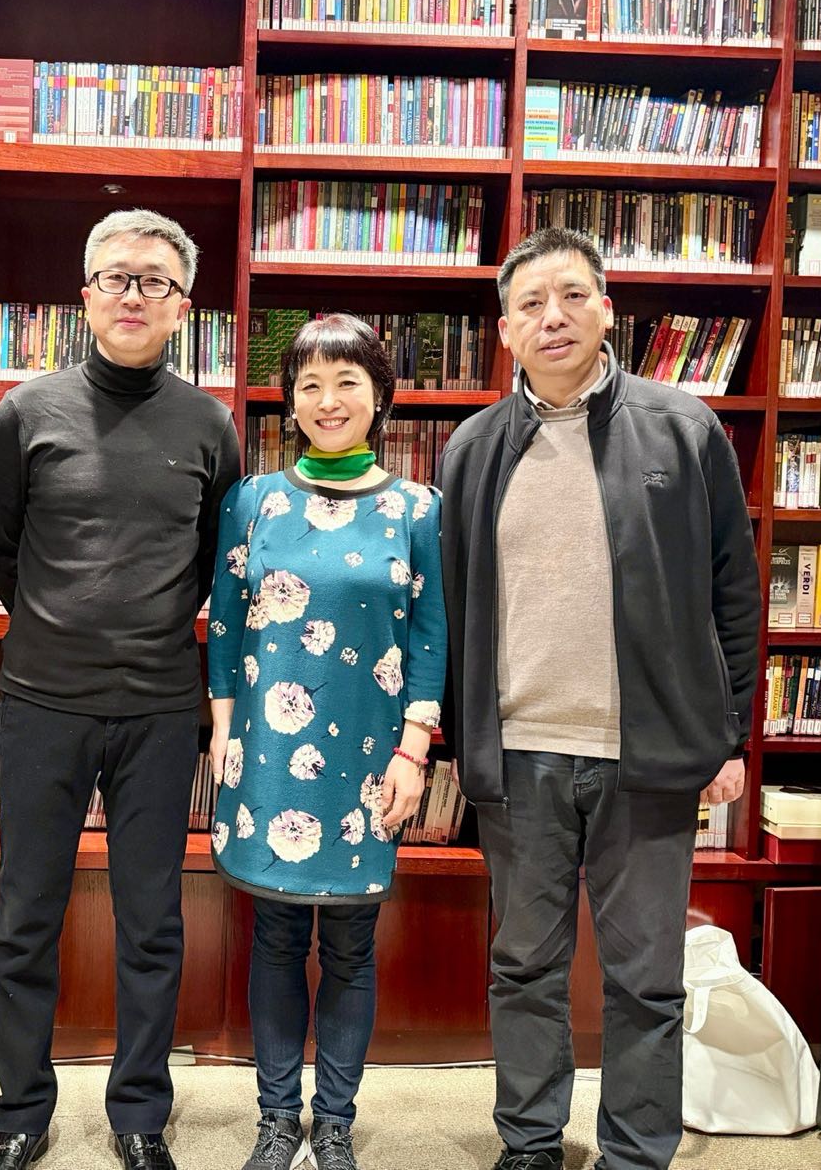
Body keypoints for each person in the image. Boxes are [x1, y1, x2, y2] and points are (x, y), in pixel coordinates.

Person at [439, 226, 759, 1170]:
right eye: (531, 304)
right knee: (523, 966)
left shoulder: (682, 428)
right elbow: (452, 605)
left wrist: (731, 735)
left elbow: (733, 591)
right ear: (505, 329)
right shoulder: (471, 448)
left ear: (607, 310)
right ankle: (530, 1143)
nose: (554, 317)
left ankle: (633, 1152)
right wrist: (461, 741)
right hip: (519, 756)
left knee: (646, 978)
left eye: (572, 295)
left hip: (647, 756)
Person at [0, 208, 241, 1170]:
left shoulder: (209, 424)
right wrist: (64, 624)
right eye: (117, 277)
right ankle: (19, 1113)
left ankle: (138, 1113)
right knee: (24, 919)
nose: (134, 294)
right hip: (43, 700)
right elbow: (1, 545)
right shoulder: (26, 412)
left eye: (154, 281)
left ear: (181, 306)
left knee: (152, 922)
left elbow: (211, 558)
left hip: (160, 707)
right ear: (85, 296)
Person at [206, 313, 447, 1170]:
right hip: (267, 752)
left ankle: (334, 1121)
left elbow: (429, 636)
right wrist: (222, 733)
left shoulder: (417, 508)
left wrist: (413, 751)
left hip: (368, 759)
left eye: (347, 381)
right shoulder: (253, 500)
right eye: (309, 383)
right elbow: (226, 622)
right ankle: (278, 1119)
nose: (328, 399)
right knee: (273, 937)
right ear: (290, 401)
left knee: (349, 944)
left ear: (380, 395)